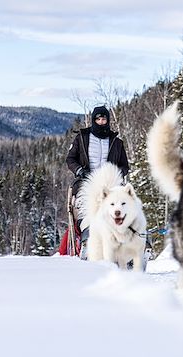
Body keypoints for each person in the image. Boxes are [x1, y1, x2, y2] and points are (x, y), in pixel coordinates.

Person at [66, 105, 129, 258]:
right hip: (86, 181)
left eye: (104, 119)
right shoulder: (82, 138)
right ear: (94, 120)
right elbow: (70, 159)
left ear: (108, 120)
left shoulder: (116, 142)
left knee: (123, 208)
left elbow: (125, 166)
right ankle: (88, 240)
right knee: (86, 208)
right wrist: (80, 171)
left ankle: (130, 247)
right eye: (98, 119)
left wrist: (116, 174)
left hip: (111, 184)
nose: (101, 122)